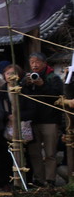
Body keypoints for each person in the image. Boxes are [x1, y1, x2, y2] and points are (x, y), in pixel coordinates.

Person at [22, 52, 64, 187]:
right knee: (34, 152)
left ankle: (50, 179)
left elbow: (56, 97)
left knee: (50, 152)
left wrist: (42, 84)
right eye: (32, 62)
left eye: (37, 62)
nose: (34, 65)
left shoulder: (53, 78)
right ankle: (39, 179)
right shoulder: (28, 78)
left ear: (44, 63)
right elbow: (21, 95)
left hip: (50, 120)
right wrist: (25, 83)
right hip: (33, 120)